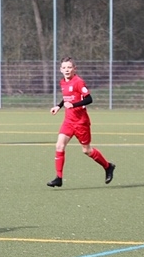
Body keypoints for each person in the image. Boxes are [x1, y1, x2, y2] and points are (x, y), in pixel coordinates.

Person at [47, 57, 115, 187]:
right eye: (64, 68)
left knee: (87, 150)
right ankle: (58, 178)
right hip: (68, 121)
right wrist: (58, 106)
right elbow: (66, 98)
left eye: (69, 67)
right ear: (60, 69)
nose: (67, 70)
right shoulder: (63, 82)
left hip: (81, 123)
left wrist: (73, 105)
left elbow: (89, 99)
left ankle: (108, 166)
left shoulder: (78, 82)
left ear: (74, 69)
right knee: (59, 145)